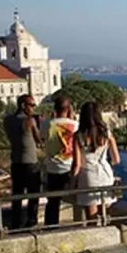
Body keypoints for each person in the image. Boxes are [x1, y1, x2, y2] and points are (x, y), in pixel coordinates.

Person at [73, 102, 120, 222]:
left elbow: (77, 164)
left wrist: (72, 180)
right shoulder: (106, 134)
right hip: (105, 173)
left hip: (88, 175)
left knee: (91, 216)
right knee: (106, 212)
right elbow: (116, 159)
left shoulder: (78, 136)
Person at [4, 94, 43, 229]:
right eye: (31, 105)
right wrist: (38, 123)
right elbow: (39, 140)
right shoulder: (29, 121)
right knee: (34, 194)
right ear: (23, 106)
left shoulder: (7, 120)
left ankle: (16, 222)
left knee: (17, 194)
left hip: (15, 161)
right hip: (30, 162)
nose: (33, 108)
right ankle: (31, 221)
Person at [43, 95, 78, 227]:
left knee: (52, 201)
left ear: (55, 108)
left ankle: (51, 226)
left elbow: (41, 137)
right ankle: (79, 225)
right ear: (70, 109)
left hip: (52, 168)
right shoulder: (75, 125)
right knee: (77, 197)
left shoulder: (47, 124)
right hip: (71, 167)